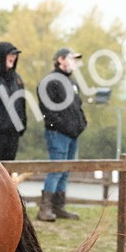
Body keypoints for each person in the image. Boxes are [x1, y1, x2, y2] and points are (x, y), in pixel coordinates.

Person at [37, 48, 88, 221]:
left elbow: (77, 106)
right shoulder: (50, 81)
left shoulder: (71, 82)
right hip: (57, 134)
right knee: (56, 169)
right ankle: (45, 209)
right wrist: (60, 126)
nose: (75, 62)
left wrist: (81, 123)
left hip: (72, 134)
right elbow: (47, 111)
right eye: (71, 59)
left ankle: (58, 207)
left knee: (65, 171)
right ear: (60, 59)